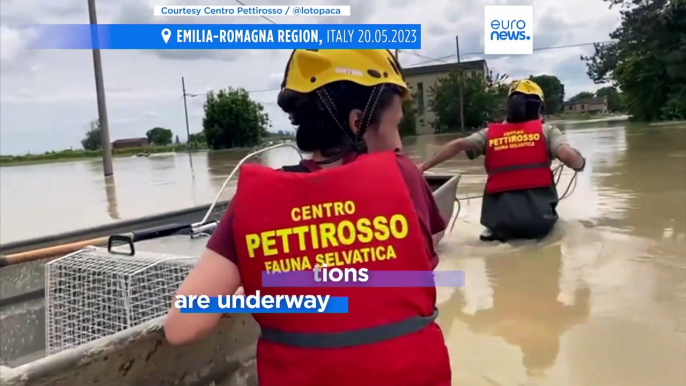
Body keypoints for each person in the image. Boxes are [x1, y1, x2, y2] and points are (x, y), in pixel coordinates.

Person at [165, 49, 451, 386]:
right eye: (396, 127)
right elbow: (421, 257)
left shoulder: (253, 200)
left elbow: (182, 326)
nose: (400, 145)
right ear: (358, 122)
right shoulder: (404, 176)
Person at [418, 79, 586, 242]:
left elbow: (458, 145)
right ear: (537, 108)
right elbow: (567, 155)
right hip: (540, 225)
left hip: (500, 227)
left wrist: (424, 166)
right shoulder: (547, 131)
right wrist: (581, 163)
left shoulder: (489, 134)